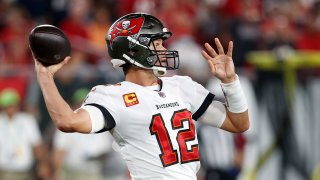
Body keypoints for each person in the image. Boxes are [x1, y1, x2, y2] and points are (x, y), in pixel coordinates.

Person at [32, 12, 249, 180]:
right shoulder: (112, 96)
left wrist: (230, 82)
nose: (164, 49)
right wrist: (45, 77)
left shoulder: (182, 86)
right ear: (134, 51)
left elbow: (238, 124)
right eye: (156, 44)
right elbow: (67, 121)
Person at [0, 88, 50, 180]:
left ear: (18, 105)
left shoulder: (27, 120)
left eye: (13, 105)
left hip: (24, 171)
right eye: (7, 105)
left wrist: (43, 164)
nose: (10, 108)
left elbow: (37, 145)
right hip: (2, 171)